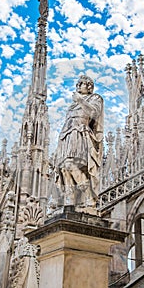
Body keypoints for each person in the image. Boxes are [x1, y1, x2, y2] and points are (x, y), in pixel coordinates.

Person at [55, 75, 104, 207]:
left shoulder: (95, 98)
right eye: (77, 84)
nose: (78, 86)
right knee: (64, 168)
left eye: (81, 84)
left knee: (72, 165)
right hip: (67, 135)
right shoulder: (73, 105)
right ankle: (69, 202)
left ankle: (89, 197)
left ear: (89, 86)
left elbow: (94, 114)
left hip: (81, 134)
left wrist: (81, 101)